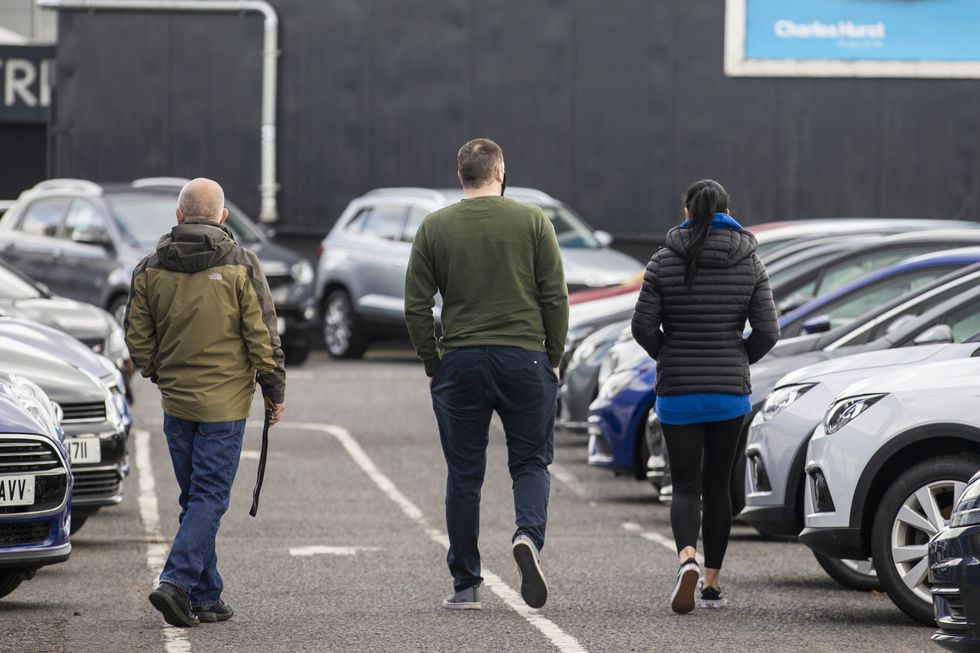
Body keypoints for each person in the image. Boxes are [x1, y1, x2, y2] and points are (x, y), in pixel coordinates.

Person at [405, 138, 569, 610]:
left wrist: (433, 363)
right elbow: (554, 296)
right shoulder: (533, 220)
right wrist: (553, 356)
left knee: (463, 473)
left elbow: (416, 306)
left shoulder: (435, 226)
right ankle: (527, 538)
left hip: (461, 360)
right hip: (525, 358)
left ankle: (466, 584)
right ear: (500, 172)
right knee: (531, 462)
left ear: (462, 176)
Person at [125, 177, 286, 627]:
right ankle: (176, 582)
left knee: (195, 498)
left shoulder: (149, 268)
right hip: (226, 406)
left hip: (177, 405)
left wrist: (159, 372)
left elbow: (137, 339)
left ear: (178, 217)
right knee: (209, 497)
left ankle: (206, 596)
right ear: (223, 217)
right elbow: (262, 335)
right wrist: (274, 391)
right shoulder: (242, 263)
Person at [631, 179, 779, 614]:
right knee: (718, 487)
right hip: (728, 395)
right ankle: (711, 584)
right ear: (727, 210)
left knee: (684, 484)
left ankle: (686, 559)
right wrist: (738, 360)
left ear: (687, 211)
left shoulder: (663, 260)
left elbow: (642, 327)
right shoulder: (750, 260)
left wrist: (669, 355)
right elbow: (768, 331)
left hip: (678, 392)